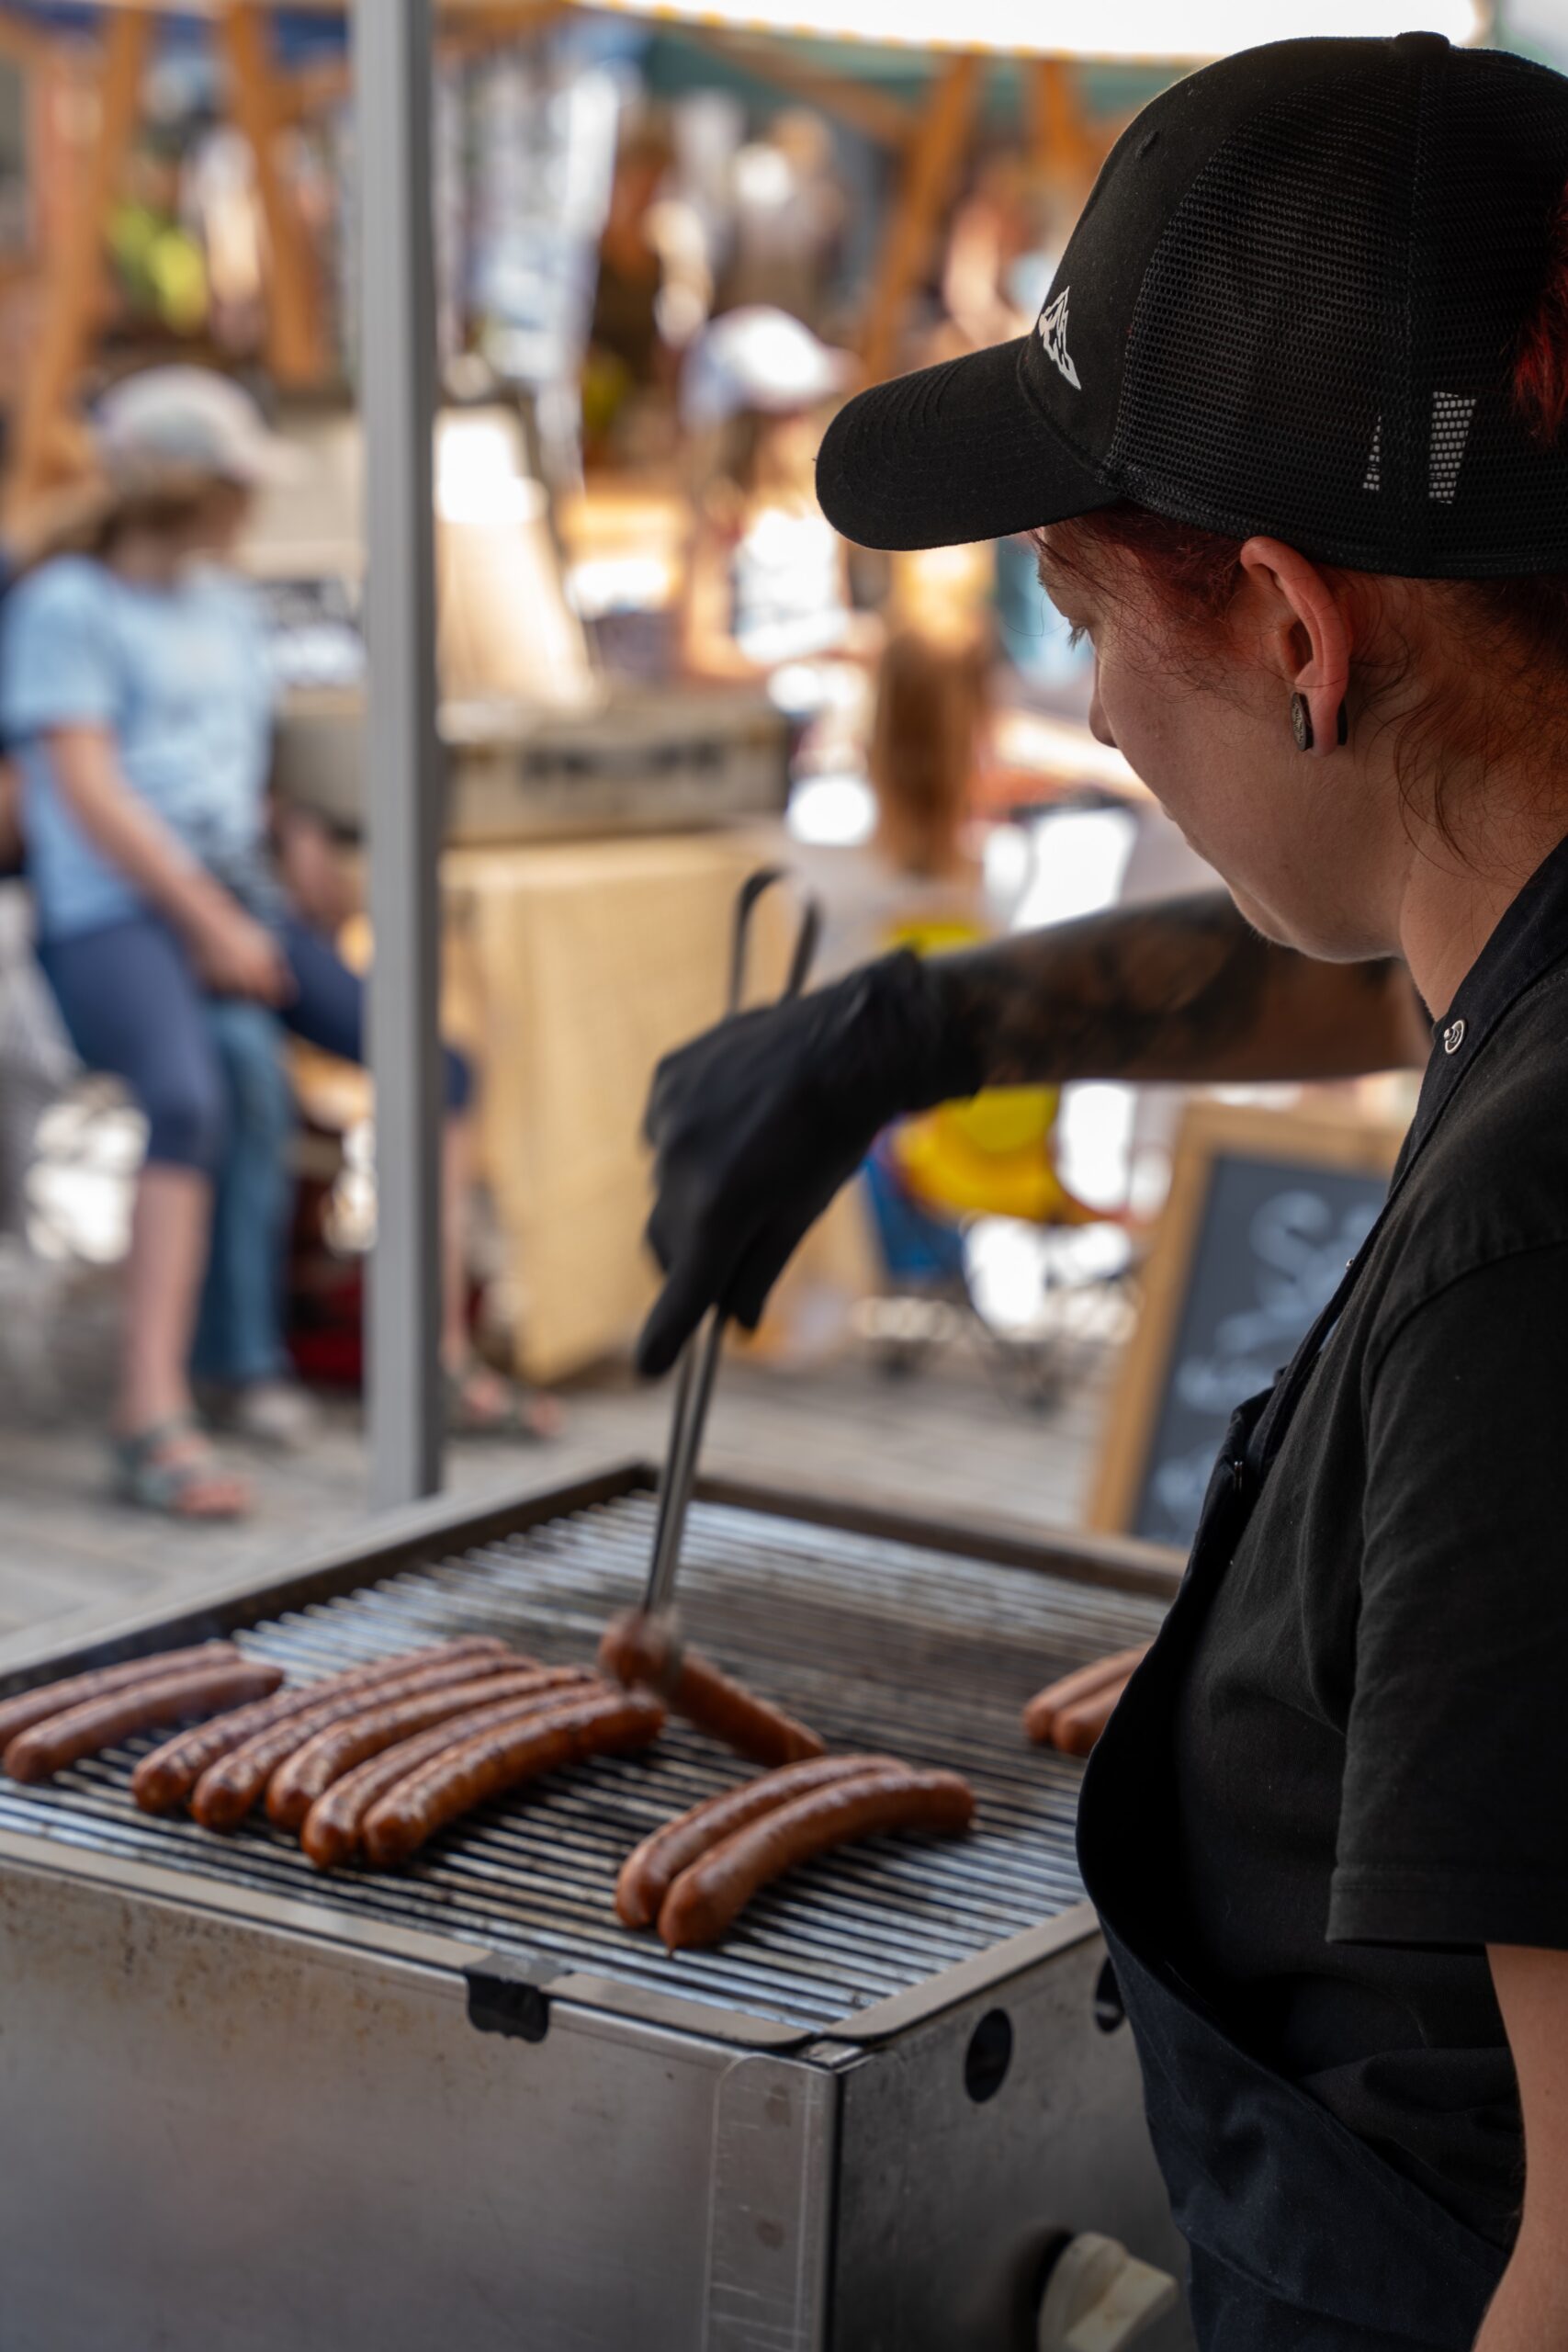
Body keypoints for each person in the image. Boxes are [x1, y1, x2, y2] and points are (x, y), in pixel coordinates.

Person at [634, 36, 1568, 2350]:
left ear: (1283, 628)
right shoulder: (1523, 915)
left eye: (1075, 605)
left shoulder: (1524, 1257)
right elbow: (1391, 928)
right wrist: (923, 1025)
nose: (1087, 716)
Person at [1, 368, 556, 1519]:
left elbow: (227, 772)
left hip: (236, 897)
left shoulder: (224, 605)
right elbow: (91, 791)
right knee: (190, 1095)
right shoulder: (67, 605)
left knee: (438, 1068)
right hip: (112, 914)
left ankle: (431, 1357)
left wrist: (295, 834)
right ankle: (148, 1415)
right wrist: (207, 918)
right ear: (190, 492)